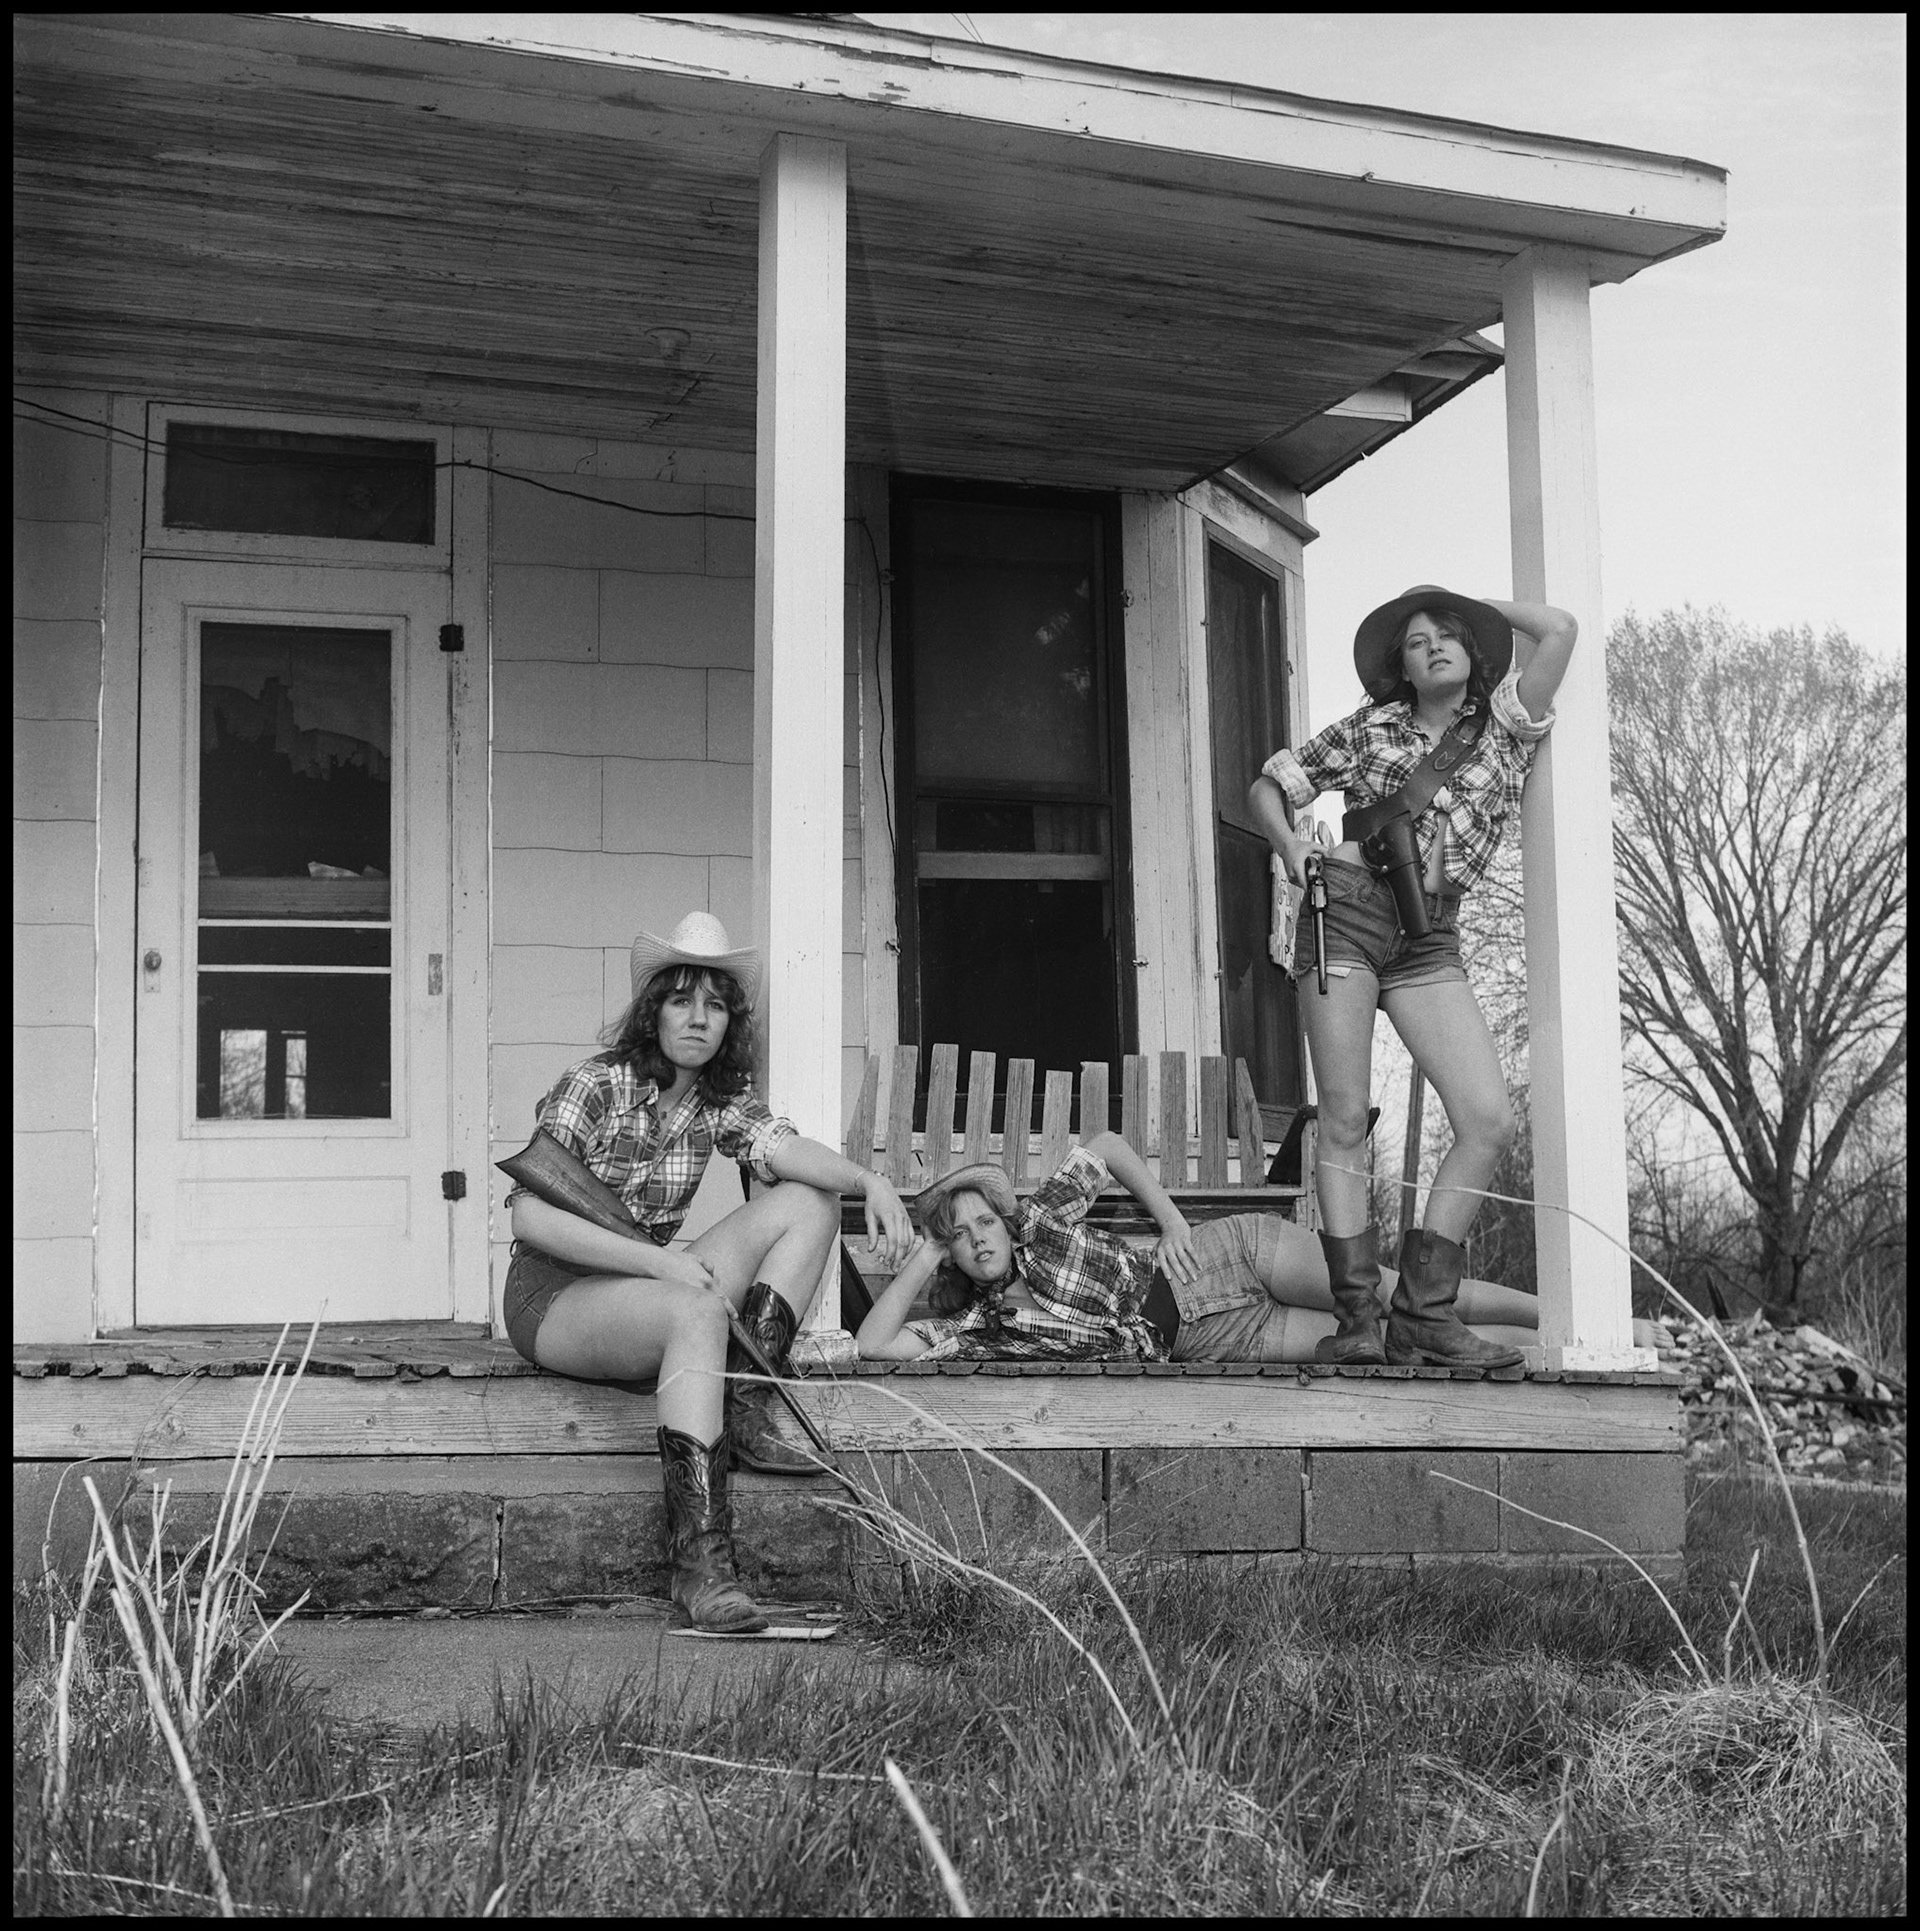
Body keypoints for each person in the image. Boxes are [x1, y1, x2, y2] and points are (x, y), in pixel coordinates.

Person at [504, 911, 914, 1633]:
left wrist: (869, 1180)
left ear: (730, 1022)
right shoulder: (595, 1085)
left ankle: (745, 1400)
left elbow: (786, 1148)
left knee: (810, 1200)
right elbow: (529, 1217)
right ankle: (699, 1568)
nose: (698, 1018)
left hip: (651, 1289)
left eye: (715, 1004)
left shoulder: (714, 1102)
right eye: (681, 998)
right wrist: (663, 1262)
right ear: (652, 1008)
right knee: (693, 1307)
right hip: (556, 1295)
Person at [1247, 585, 1577, 1370]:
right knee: (1342, 1117)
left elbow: (1559, 629)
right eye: (1415, 639)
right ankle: (1358, 1319)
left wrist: (1474, 600)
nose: (1430, 646)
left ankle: (1425, 1315)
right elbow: (1269, 786)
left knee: (1488, 1117)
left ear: (1473, 650)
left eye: (1446, 634)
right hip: (1348, 913)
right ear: (1399, 665)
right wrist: (1294, 849)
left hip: (1431, 935)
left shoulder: (1504, 724)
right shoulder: (1369, 727)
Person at [854, 1134, 1544, 1365]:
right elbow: (874, 1345)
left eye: (983, 1222)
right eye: (961, 1234)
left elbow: (1109, 1147)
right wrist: (925, 1249)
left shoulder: (1039, 1220)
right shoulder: (979, 1330)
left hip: (1216, 1259)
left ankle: (1555, 1312)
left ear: (1005, 1221)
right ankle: (1542, 1351)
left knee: (1400, 1295)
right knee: (1394, 1343)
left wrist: (1173, 1219)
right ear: (953, 1254)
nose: (979, 1237)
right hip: (1210, 1339)